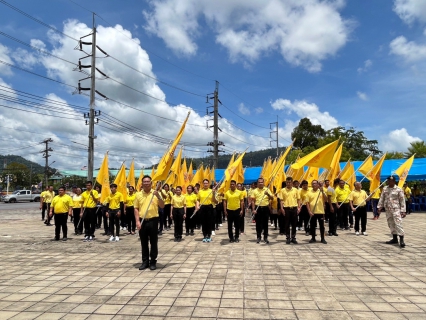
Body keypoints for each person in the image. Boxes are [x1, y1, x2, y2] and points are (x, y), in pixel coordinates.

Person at [135, 176, 164, 270]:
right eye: (144, 181)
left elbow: (162, 206)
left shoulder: (156, 193)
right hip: (142, 221)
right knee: (143, 242)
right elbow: (136, 208)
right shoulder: (138, 194)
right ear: (142, 183)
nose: (146, 183)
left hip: (153, 220)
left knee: (153, 242)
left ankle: (153, 261)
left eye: (148, 181)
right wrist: (137, 221)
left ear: (151, 183)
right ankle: (145, 261)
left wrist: (158, 196)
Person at [378, 176, 406, 248]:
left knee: (398, 223)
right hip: (388, 209)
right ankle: (394, 238)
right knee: (390, 223)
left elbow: (402, 200)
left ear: (394, 181)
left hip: (396, 209)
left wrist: (403, 211)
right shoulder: (385, 189)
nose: (389, 182)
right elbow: (382, 198)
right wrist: (379, 207)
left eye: (390, 181)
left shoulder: (399, 189)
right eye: (388, 181)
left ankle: (401, 239)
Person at [279, 177, 301, 244]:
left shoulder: (295, 190)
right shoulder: (283, 190)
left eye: (290, 182)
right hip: (286, 209)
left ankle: (293, 237)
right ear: (286, 182)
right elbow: (281, 200)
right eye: (287, 182)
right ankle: (288, 237)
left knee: (294, 224)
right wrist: (282, 208)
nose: (288, 184)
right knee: (287, 224)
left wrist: (299, 207)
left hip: (294, 208)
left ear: (292, 183)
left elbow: (298, 199)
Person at [251, 178, 273, 244]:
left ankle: (265, 237)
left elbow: (272, 198)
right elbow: (253, 201)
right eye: (259, 182)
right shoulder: (254, 191)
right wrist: (253, 209)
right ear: (257, 183)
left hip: (265, 208)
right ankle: (258, 237)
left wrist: (268, 194)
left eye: (262, 182)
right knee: (258, 224)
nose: (260, 183)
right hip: (258, 208)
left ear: (264, 183)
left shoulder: (267, 189)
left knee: (265, 223)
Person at [306, 180, 328, 244]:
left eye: (315, 183)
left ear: (318, 184)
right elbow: (307, 203)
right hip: (313, 212)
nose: (314, 185)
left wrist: (323, 192)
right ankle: (313, 238)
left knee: (322, 226)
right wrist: (309, 211)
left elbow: (326, 199)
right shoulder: (309, 193)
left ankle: (322, 238)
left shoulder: (321, 191)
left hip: (320, 212)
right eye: (313, 183)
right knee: (312, 226)